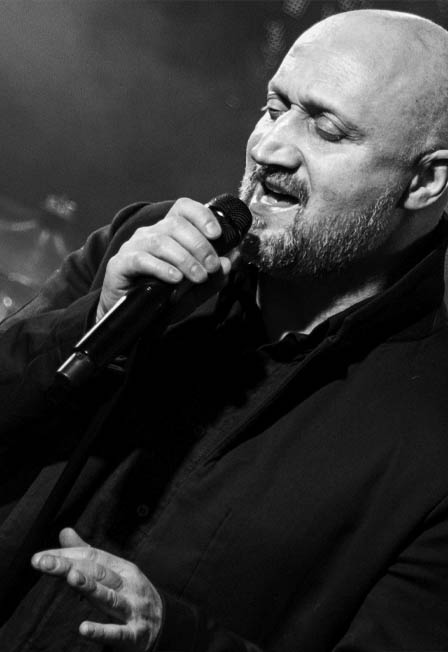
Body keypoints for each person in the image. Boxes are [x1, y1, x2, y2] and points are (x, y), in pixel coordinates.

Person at [1, 7, 448, 651]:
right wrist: (94, 321)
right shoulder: (141, 244)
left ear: (427, 181)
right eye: (273, 108)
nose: (267, 148)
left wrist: (175, 638)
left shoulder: (432, 435)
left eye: (325, 128)